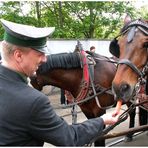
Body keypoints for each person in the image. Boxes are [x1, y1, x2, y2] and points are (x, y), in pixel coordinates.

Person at [0, 19, 120, 146]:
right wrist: (102, 120)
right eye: (40, 54)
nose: (45, 59)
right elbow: (69, 138)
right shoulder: (34, 101)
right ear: (18, 56)